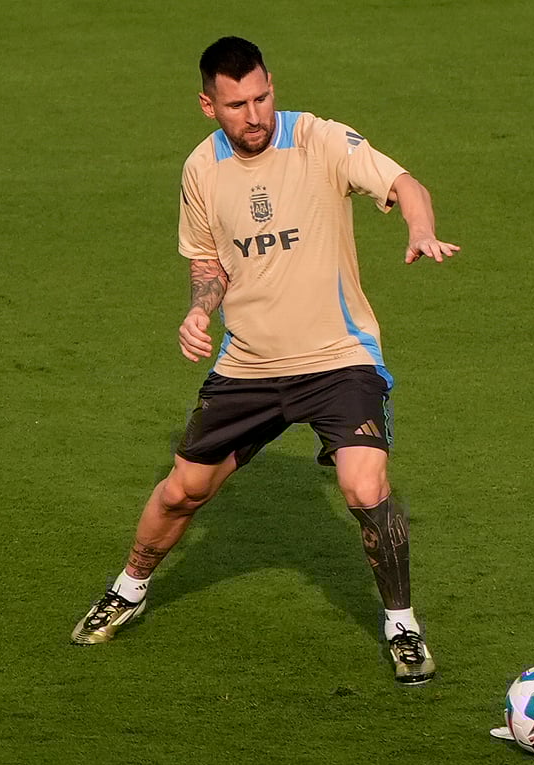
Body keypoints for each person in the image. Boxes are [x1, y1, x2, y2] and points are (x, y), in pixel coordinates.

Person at [70, 36, 458, 685]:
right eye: (237, 105)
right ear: (207, 105)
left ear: (272, 83)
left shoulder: (319, 139)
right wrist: (199, 310)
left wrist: (418, 228)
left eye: (262, 96)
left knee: (365, 487)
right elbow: (209, 261)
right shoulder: (201, 169)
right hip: (248, 366)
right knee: (181, 492)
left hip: (339, 360)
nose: (255, 115)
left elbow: (403, 183)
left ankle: (402, 626)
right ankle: (129, 590)